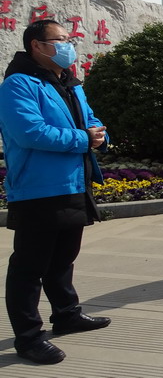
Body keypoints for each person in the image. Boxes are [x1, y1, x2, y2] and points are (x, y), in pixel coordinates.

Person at [0, 20, 111, 365]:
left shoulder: (69, 83)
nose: (68, 46)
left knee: (63, 257)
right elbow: (30, 132)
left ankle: (66, 314)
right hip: (38, 188)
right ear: (36, 45)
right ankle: (28, 337)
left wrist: (100, 135)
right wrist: (83, 139)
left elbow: (90, 120)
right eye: (60, 40)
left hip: (73, 182)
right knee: (30, 266)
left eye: (69, 39)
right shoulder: (19, 84)